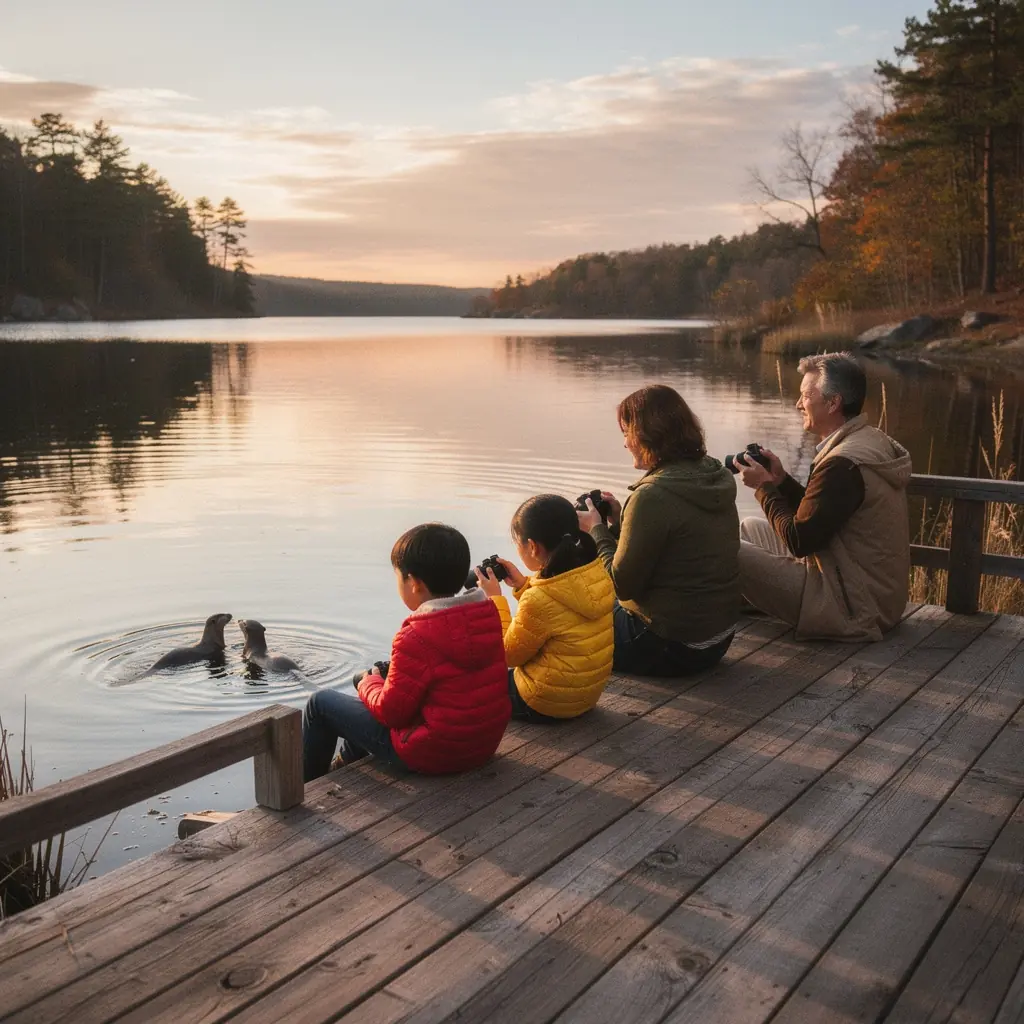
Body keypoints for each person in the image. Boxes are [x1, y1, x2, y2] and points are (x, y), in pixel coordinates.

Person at [302, 523, 511, 781]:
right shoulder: (488, 616)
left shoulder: (416, 636)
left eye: (398, 577)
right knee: (373, 697)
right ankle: (343, 765)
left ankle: (307, 788)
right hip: (481, 744)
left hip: (432, 754)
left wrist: (369, 683)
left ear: (413, 583)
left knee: (320, 704)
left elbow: (391, 713)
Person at [735, 352, 912, 642]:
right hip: (864, 589)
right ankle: (747, 599)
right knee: (749, 528)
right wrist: (780, 481)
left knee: (726, 550)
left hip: (852, 606)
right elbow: (823, 514)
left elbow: (800, 540)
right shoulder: (865, 440)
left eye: (805, 395)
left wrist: (763, 488)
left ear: (833, 403)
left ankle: (703, 614)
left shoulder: (843, 463)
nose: (798, 404)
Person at [577, 384, 740, 677]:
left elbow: (622, 584)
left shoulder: (652, 496)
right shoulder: (712, 474)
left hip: (671, 648)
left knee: (571, 615)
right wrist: (621, 521)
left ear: (646, 435)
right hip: (717, 639)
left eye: (626, 433)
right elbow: (676, 550)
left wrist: (597, 529)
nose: (625, 443)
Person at [476, 494, 615, 721]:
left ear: (531, 546)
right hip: (587, 695)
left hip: (546, 702)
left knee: (473, 680)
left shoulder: (538, 599)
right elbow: (556, 611)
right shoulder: (596, 571)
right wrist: (523, 585)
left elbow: (506, 657)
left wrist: (495, 600)